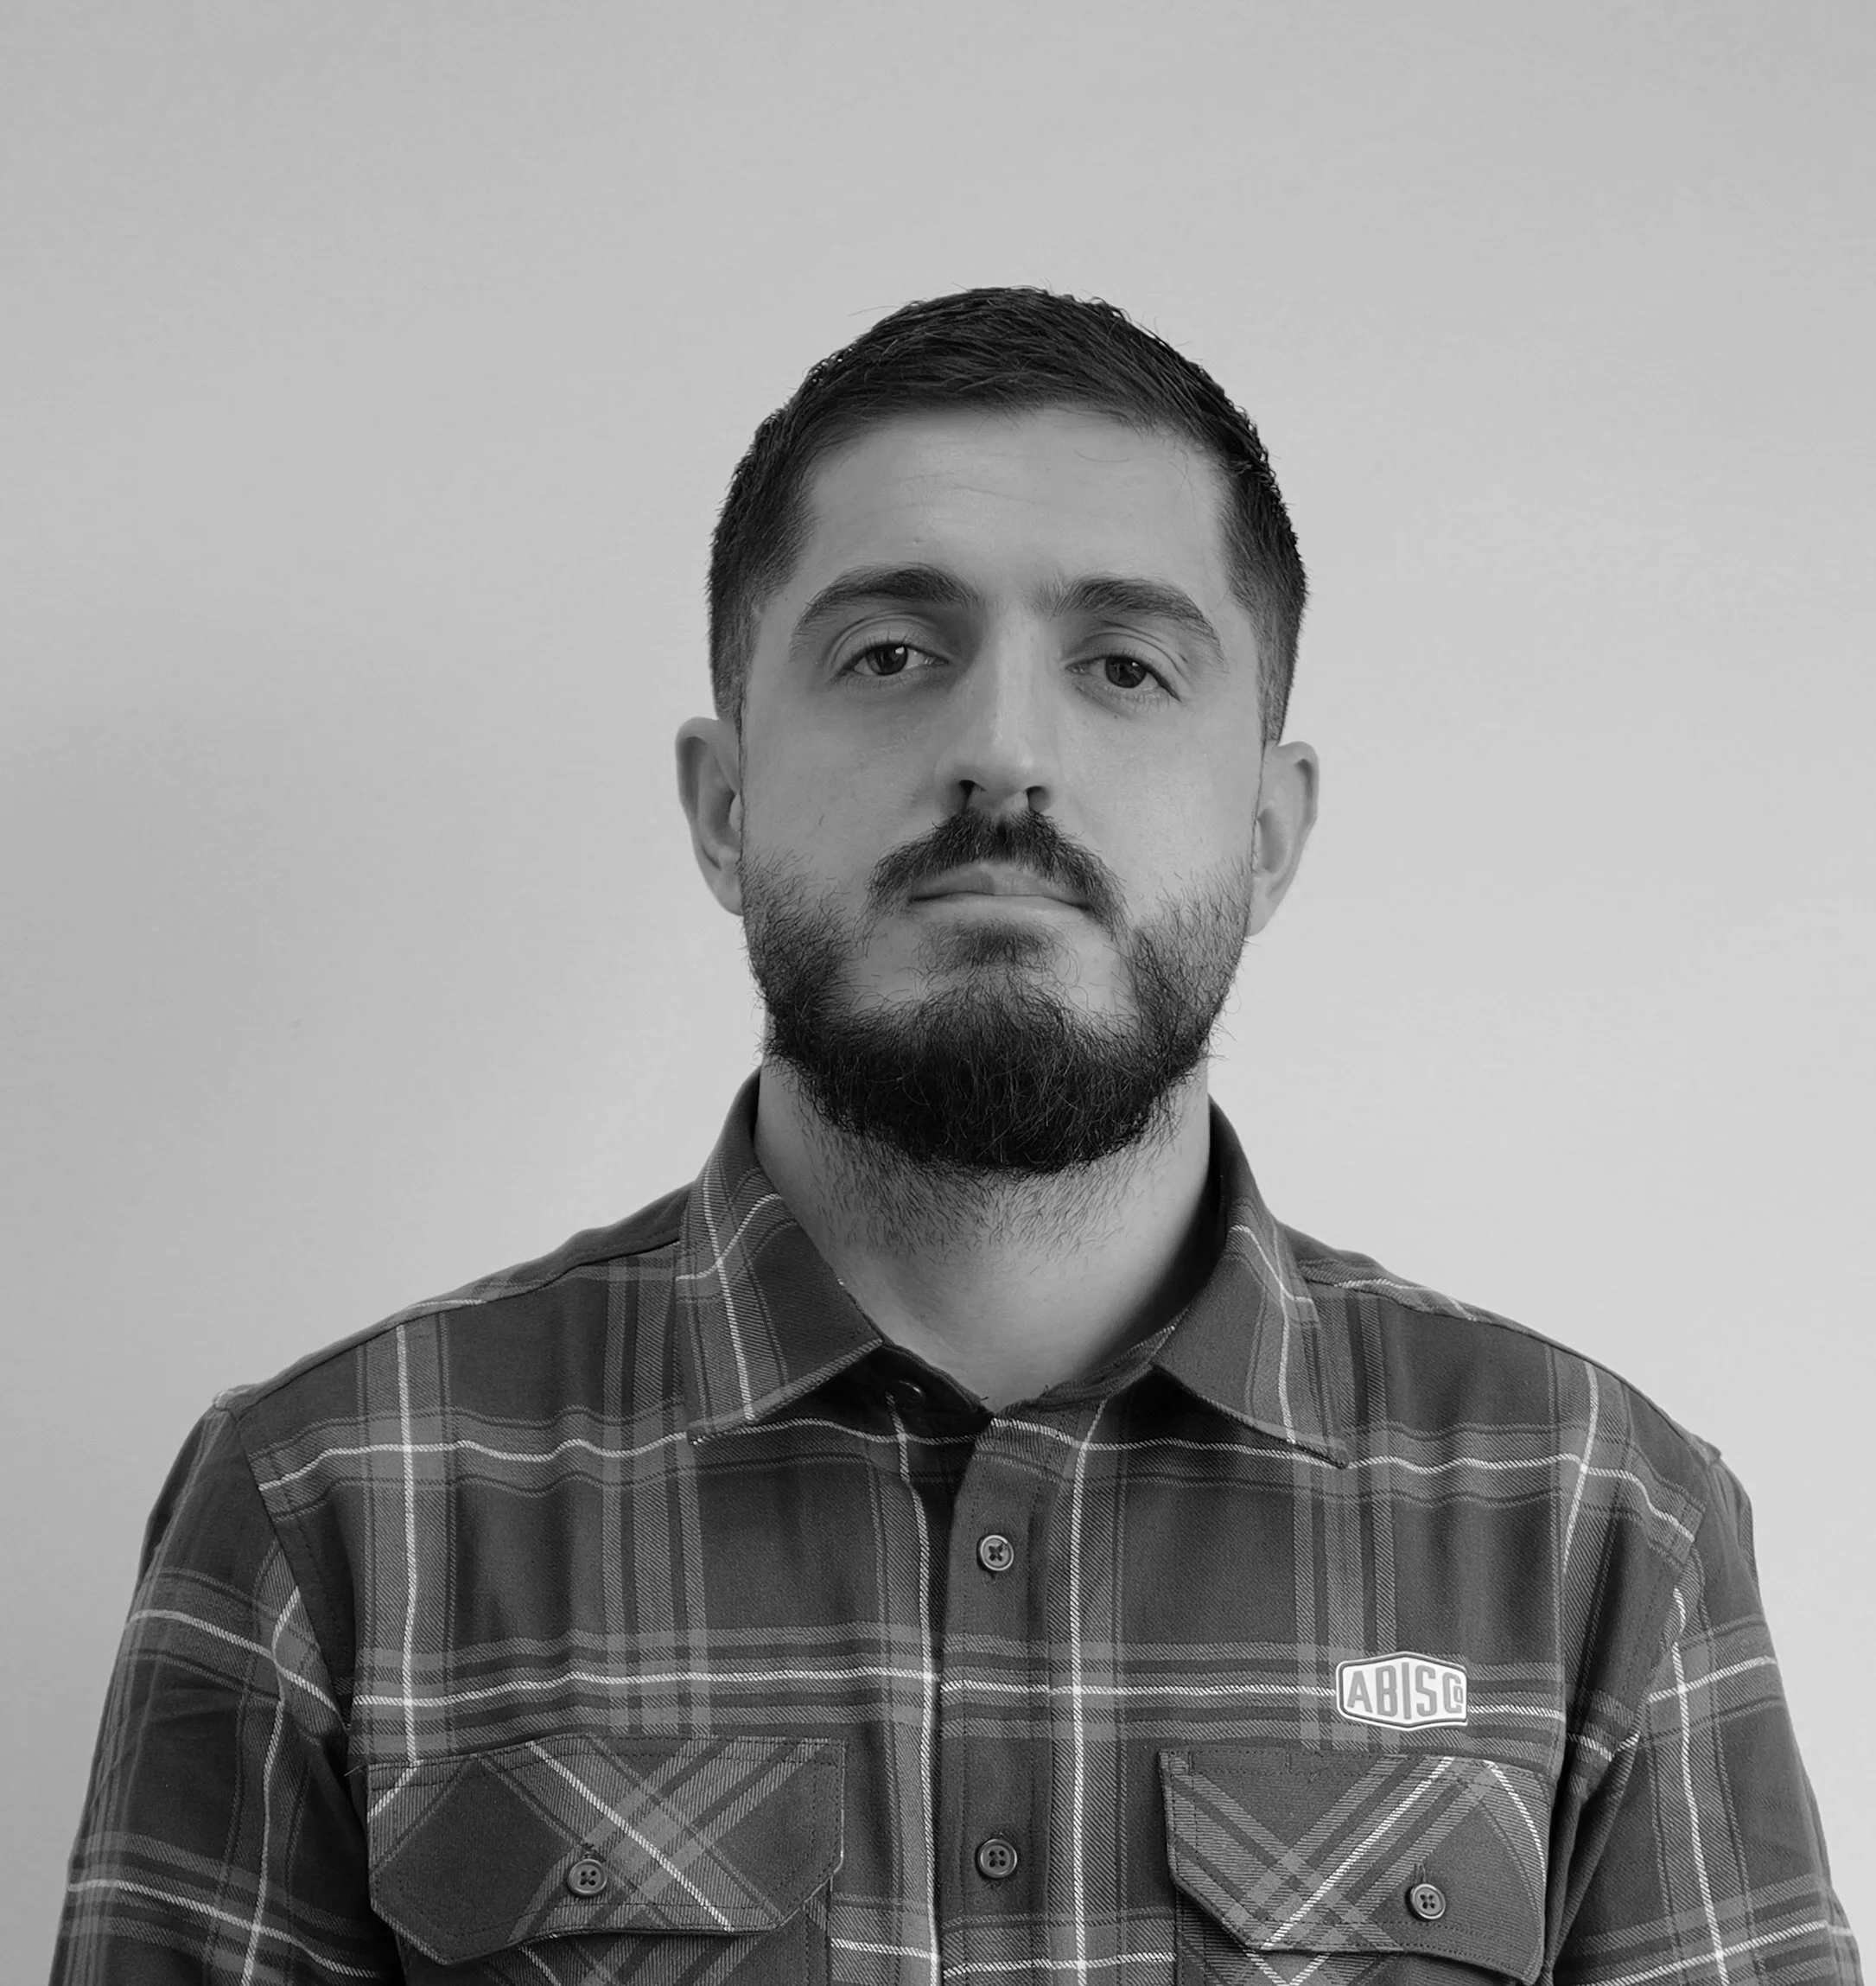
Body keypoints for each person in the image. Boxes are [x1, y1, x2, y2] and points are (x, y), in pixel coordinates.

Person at [54, 285, 1858, 1986]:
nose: (1003, 752)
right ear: (722, 801)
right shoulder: (331, 1514)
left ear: (1268, 831)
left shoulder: (1594, 1525)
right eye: (892, 651)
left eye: (1126, 666)